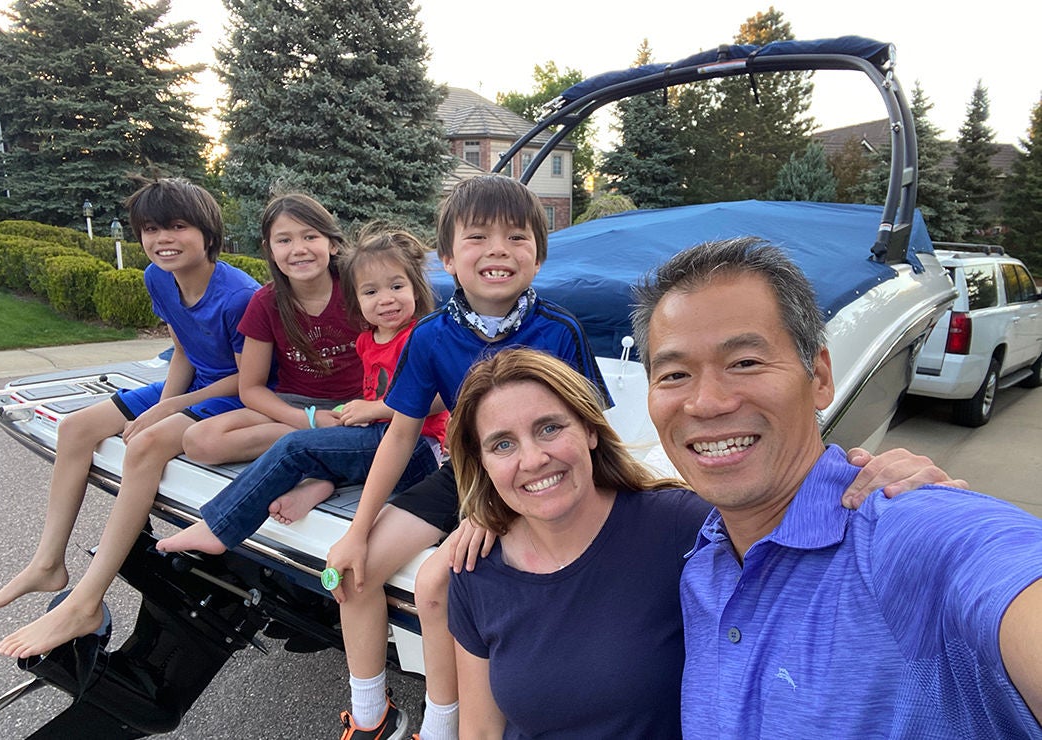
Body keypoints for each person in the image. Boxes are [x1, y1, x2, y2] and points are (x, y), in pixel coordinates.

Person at [630, 236, 1042, 737]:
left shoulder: (908, 531)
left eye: (745, 362)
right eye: (674, 374)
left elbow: (995, 562)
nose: (706, 402)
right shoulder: (704, 568)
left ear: (820, 376)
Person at [326, 175, 610, 740]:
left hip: (534, 481)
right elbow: (401, 435)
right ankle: (370, 718)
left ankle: (442, 726)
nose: (499, 249)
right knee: (351, 574)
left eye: (518, 237)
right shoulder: (431, 337)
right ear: (449, 258)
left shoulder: (557, 331)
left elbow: (591, 430)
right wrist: (357, 529)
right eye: (478, 237)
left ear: (538, 255)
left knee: (437, 584)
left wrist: (496, 514)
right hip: (464, 475)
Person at [0, 178, 260, 661]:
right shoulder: (158, 277)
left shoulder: (239, 296)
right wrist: (160, 405)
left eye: (177, 226)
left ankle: (86, 601)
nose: (163, 239)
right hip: (194, 385)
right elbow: (183, 353)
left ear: (208, 233)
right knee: (76, 428)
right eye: (151, 229)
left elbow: (246, 381)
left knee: (145, 446)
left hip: (238, 394)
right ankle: (48, 562)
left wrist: (166, 412)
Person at [446, 348, 712, 738]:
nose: (533, 459)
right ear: (482, 461)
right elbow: (481, 731)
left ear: (590, 429)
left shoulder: (680, 527)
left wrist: (832, 483)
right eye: (503, 444)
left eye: (549, 428)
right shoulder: (476, 569)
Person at [156, 227, 448, 554]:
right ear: (355, 300)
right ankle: (319, 486)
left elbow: (442, 395)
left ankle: (219, 528)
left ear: (416, 288)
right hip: (382, 445)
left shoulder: (422, 335)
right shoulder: (368, 339)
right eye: (370, 292)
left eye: (397, 286)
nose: (386, 299)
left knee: (296, 447)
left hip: (418, 450)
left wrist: (376, 409)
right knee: (328, 442)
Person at [181, 192, 362, 466]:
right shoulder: (266, 303)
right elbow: (251, 388)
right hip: (295, 405)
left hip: (357, 404)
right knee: (199, 440)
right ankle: (321, 443)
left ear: (333, 244)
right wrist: (308, 421)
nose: (298, 248)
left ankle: (319, 446)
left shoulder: (359, 289)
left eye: (310, 237)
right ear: (270, 250)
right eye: (284, 240)